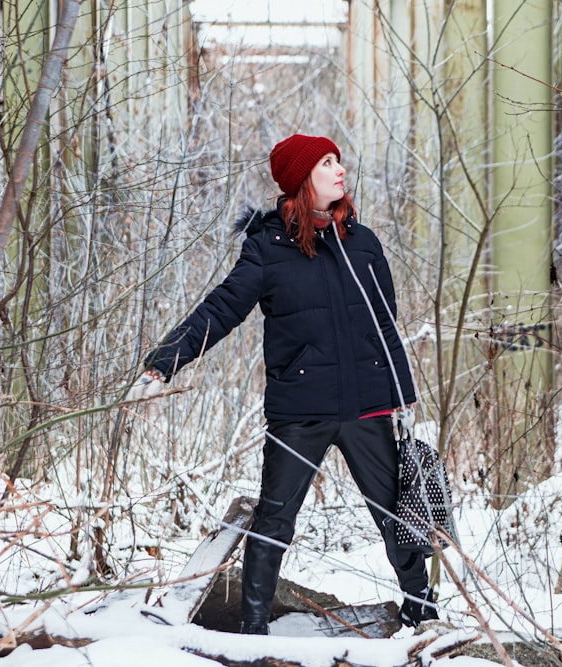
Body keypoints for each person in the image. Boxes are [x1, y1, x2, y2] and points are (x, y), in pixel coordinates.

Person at [135, 134, 439, 634]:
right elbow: (222, 307)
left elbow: (386, 325)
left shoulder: (362, 243)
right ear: (302, 179)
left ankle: (422, 617)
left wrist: (403, 396)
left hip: (368, 405)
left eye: (338, 159)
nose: (339, 168)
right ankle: (252, 631)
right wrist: (166, 360)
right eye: (326, 162)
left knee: (396, 515)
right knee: (275, 522)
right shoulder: (267, 249)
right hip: (300, 410)